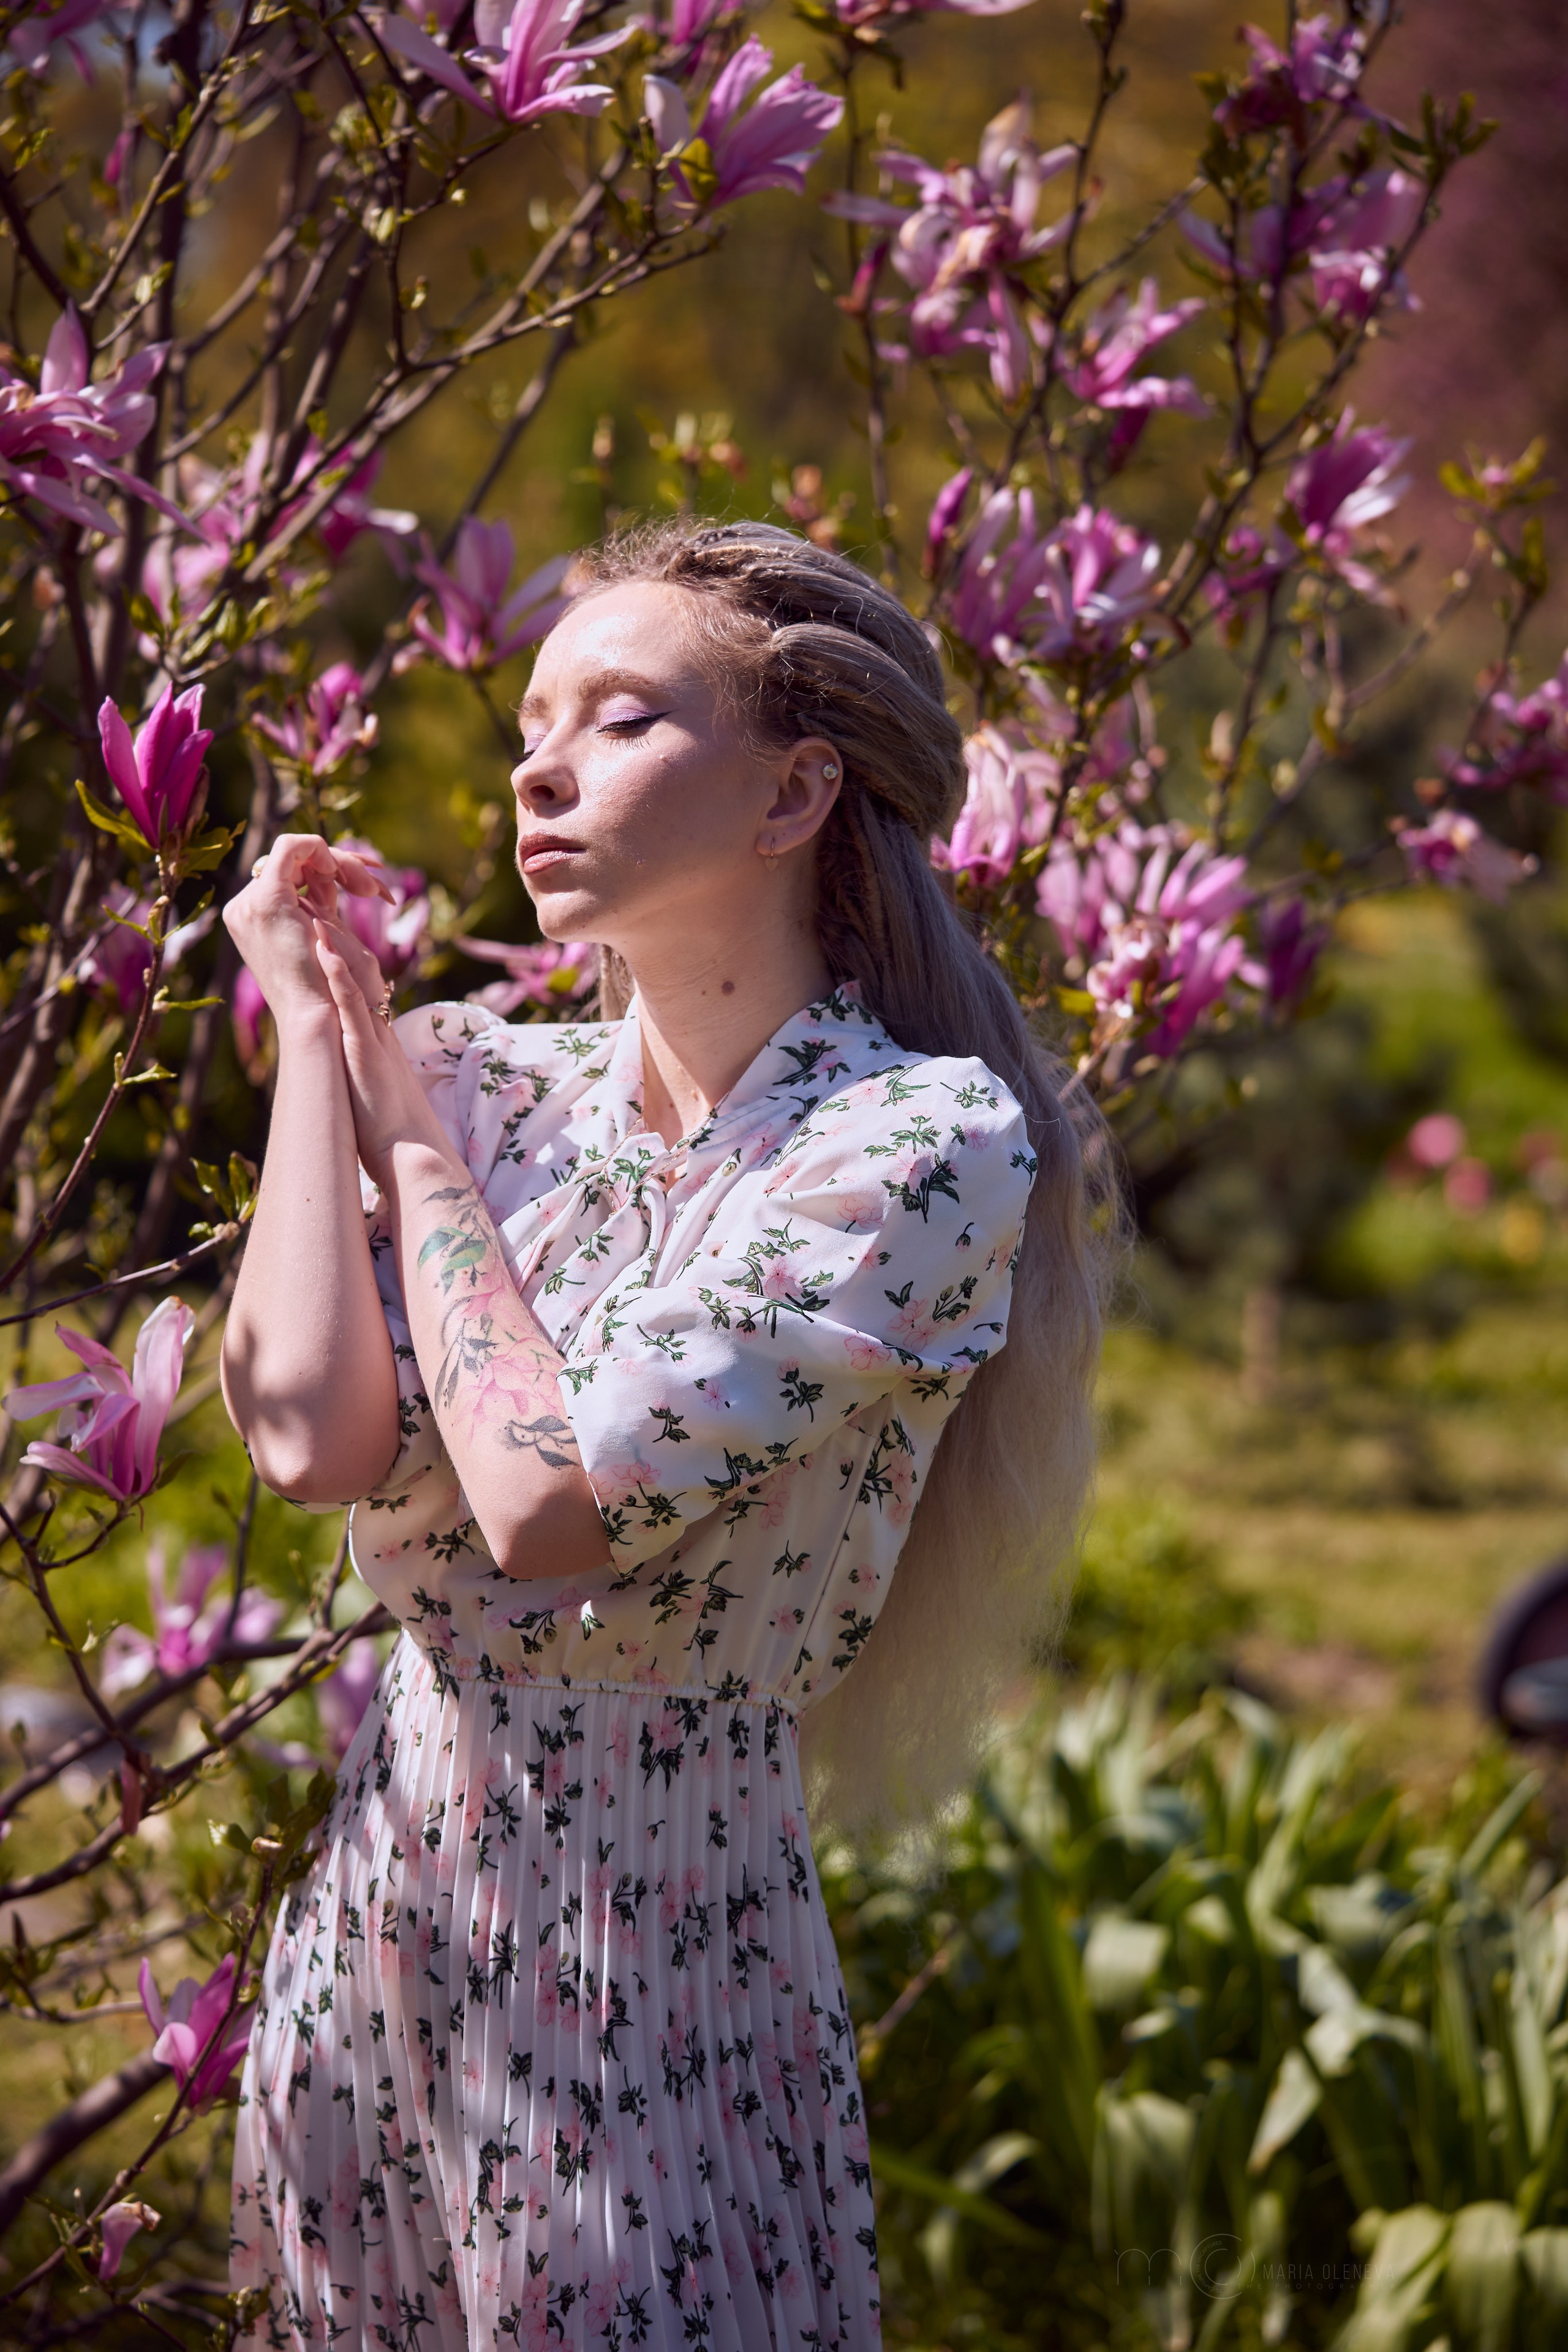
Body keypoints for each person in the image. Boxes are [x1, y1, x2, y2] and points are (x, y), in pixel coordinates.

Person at [219, 521, 1109, 2351]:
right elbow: (306, 1434)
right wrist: (323, 1042)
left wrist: (399, 1140)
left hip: (661, 1946)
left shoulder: (916, 1144)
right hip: (382, 1905)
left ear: (794, 793)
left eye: (620, 719)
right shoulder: (473, 1080)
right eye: (533, 723)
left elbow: (552, 1504)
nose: (539, 766)